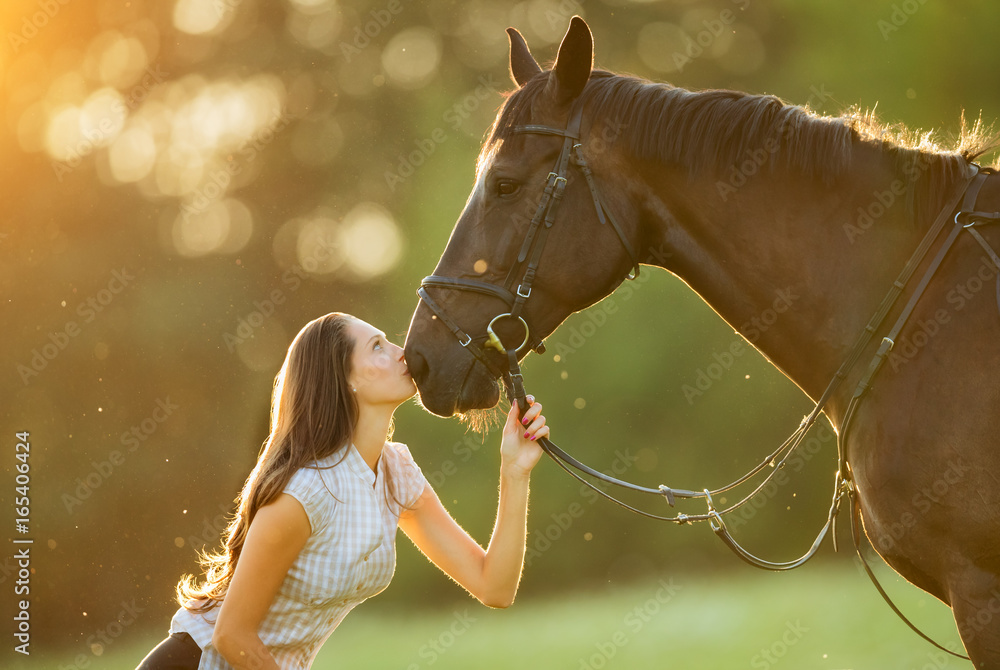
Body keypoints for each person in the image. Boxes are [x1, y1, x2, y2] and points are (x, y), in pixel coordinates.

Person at [136, 312, 549, 669]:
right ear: (345, 380)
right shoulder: (303, 493)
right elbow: (231, 636)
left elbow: (494, 586)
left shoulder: (395, 472)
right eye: (377, 347)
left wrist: (514, 470)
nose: (400, 350)